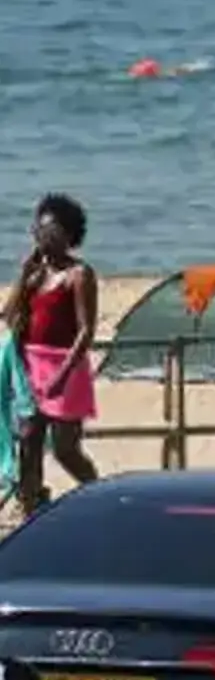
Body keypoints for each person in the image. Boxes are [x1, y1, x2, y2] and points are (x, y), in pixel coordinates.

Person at [0, 194, 101, 511]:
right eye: (38, 230)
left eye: (50, 230)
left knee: (64, 449)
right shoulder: (36, 273)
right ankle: (31, 505)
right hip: (30, 365)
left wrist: (61, 375)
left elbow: (86, 330)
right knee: (29, 440)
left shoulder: (79, 275)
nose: (42, 237)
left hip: (65, 368)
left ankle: (97, 494)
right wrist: (24, 277)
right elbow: (8, 314)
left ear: (68, 235)